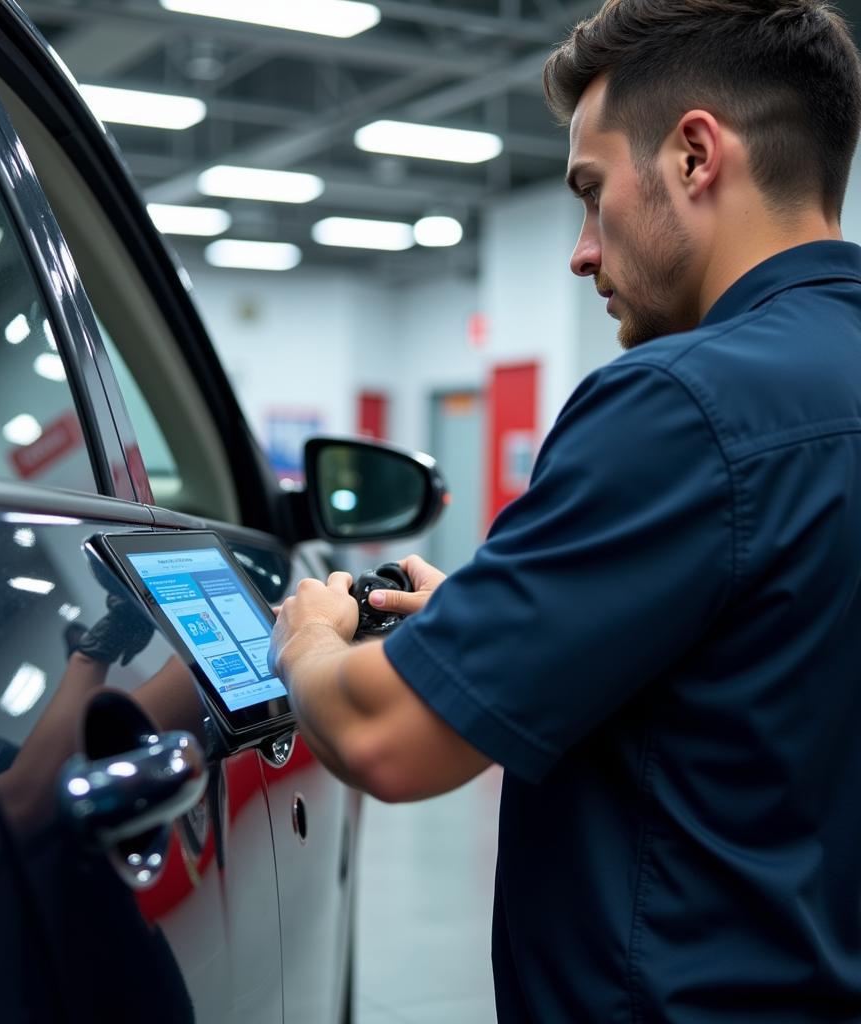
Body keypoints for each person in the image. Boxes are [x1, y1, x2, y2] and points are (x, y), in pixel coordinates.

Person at [269, 1, 861, 1019]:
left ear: (692, 155)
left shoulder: (678, 403)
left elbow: (385, 737)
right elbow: (769, 664)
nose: (581, 252)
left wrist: (308, 638)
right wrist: (507, 623)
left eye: (591, 194)